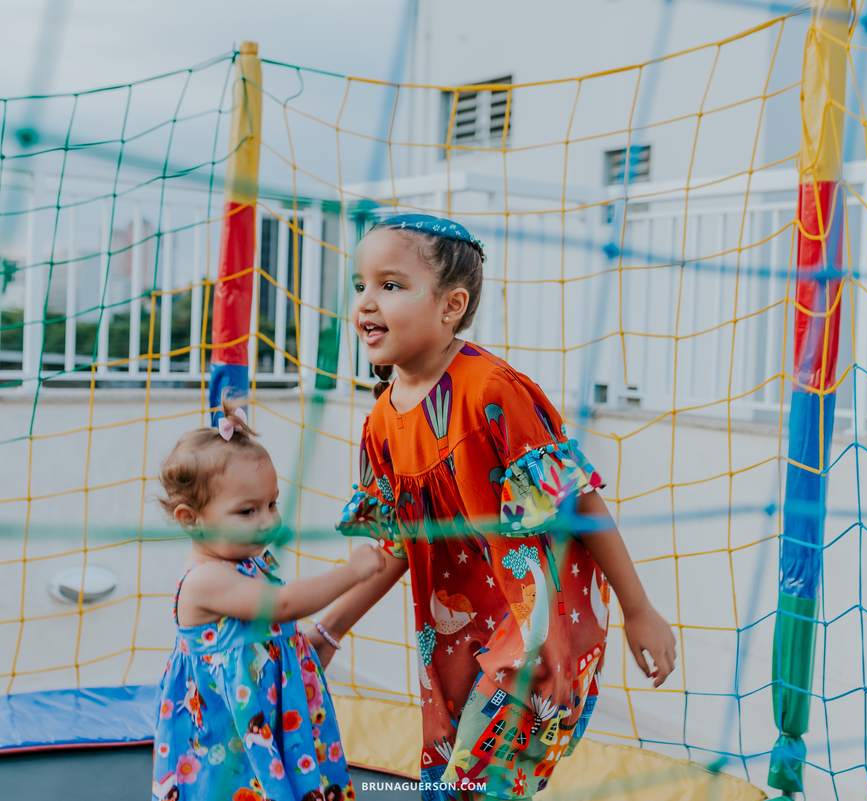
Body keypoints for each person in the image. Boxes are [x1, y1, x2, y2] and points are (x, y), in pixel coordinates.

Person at [307, 214, 677, 800]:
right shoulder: (381, 424)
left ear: (452, 305)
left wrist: (638, 609)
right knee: (442, 787)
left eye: (391, 285)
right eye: (361, 286)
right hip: (456, 640)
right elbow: (393, 547)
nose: (366, 303)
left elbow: (576, 499)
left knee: (475, 790)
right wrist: (326, 633)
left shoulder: (490, 392)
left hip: (539, 631)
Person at [152, 404, 385, 801]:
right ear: (190, 519)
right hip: (232, 736)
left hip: (277, 713)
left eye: (272, 504)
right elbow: (282, 605)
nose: (268, 521)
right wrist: (352, 570)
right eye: (247, 511)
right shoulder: (205, 580)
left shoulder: (246, 560)